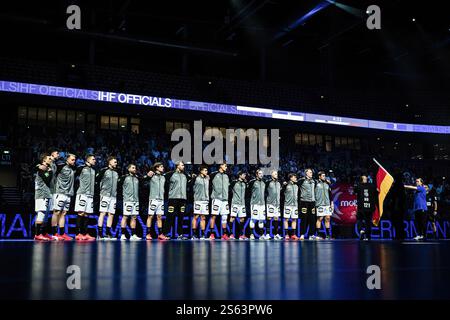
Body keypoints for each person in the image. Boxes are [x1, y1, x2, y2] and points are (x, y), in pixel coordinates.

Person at [51, 154, 76, 241]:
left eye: (74, 160)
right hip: (59, 193)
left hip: (68, 194)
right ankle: (54, 233)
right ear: (67, 159)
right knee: (56, 212)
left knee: (64, 213)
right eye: (72, 160)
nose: (74, 161)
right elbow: (51, 168)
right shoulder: (60, 166)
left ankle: (62, 233)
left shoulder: (72, 168)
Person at [163, 161, 189, 240]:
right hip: (173, 198)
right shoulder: (170, 174)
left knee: (181, 216)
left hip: (183, 199)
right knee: (170, 216)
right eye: (182, 165)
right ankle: (165, 234)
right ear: (177, 166)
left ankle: (180, 234)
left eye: (183, 165)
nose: (183, 166)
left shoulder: (185, 175)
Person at [74, 154, 96, 241]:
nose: (95, 161)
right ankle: (78, 233)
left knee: (87, 214)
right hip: (82, 194)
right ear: (88, 160)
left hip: (90, 195)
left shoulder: (94, 170)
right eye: (93, 159)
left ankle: (85, 233)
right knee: (81, 213)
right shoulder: (81, 168)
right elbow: (73, 175)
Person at [96, 156, 119, 241]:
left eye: (116, 162)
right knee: (103, 213)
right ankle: (100, 234)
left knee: (111, 214)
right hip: (104, 195)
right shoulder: (104, 170)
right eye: (114, 162)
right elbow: (97, 180)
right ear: (109, 162)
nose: (116, 163)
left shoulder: (116, 173)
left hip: (113, 196)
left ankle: (108, 233)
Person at [145, 162, 168, 241]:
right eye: (161, 167)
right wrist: (147, 176)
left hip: (161, 199)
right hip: (153, 199)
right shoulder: (152, 176)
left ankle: (160, 234)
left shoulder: (163, 177)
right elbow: (144, 181)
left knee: (159, 217)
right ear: (157, 168)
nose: (163, 168)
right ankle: (148, 234)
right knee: (150, 216)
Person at [209, 161, 231, 240]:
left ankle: (224, 234)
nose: (226, 167)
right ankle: (211, 234)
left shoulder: (227, 176)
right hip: (216, 199)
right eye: (225, 166)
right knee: (214, 216)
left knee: (225, 217)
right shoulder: (213, 174)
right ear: (221, 166)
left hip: (225, 199)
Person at [34, 153, 53, 241]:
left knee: (46, 215)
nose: (51, 159)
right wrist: (49, 171)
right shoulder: (41, 169)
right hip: (41, 195)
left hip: (47, 194)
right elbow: (47, 179)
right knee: (41, 214)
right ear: (44, 160)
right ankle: (37, 234)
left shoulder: (46, 169)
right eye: (49, 158)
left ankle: (44, 233)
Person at [120, 164, 141, 241]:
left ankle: (133, 235)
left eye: (135, 167)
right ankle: (122, 234)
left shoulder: (137, 178)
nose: (135, 169)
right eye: (133, 168)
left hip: (135, 200)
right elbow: (119, 187)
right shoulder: (124, 178)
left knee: (134, 217)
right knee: (125, 216)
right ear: (128, 169)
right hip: (127, 200)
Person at [354, 175, 378, 241]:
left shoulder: (358, 185)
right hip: (369, 207)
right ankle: (368, 236)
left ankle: (361, 231)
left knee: (359, 219)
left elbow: (354, 191)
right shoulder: (372, 186)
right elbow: (377, 192)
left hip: (361, 207)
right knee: (368, 221)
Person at [191, 165, 209, 240]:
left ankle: (202, 234)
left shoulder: (207, 179)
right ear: (201, 171)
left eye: (207, 170)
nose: (206, 172)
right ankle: (194, 234)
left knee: (203, 218)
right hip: (198, 200)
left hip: (205, 201)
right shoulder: (196, 178)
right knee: (196, 217)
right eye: (205, 170)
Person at [299, 168, 318, 240]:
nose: (311, 173)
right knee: (304, 218)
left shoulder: (314, 181)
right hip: (304, 202)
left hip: (312, 202)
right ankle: (302, 234)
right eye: (310, 172)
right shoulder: (302, 180)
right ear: (306, 173)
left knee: (312, 219)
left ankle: (311, 234)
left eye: (311, 172)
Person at [248, 169, 266, 240]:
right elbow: (248, 191)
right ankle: (251, 234)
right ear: (256, 174)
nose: (261, 175)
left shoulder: (264, 182)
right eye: (259, 173)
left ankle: (261, 235)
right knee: (253, 219)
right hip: (254, 203)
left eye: (262, 173)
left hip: (262, 204)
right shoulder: (252, 182)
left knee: (261, 219)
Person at [315, 171, 333, 240]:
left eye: (324, 176)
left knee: (328, 218)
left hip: (327, 203)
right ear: (319, 176)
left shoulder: (327, 184)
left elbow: (330, 193)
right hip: (320, 203)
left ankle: (328, 234)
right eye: (322, 176)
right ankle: (318, 234)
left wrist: (331, 202)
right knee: (320, 218)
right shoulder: (316, 183)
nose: (324, 177)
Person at [229, 171, 248, 240]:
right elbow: (229, 189)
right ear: (240, 175)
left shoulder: (245, 183)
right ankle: (231, 234)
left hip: (242, 203)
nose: (244, 176)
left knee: (242, 219)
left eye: (245, 175)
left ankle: (241, 235)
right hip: (235, 203)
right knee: (232, 217)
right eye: (243, 174)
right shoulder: (234, 182)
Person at [266, 170, 282, 240]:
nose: (276, 175)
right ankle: (267, 234)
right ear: (271, 175)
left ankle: (276, 234)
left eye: (277, 174)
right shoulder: (268, 182)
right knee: (269, 218)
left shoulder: (279, 183)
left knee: (276, 219)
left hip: (277, 204)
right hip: (270, 203)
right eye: (275, 174)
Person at [283, 173, 299, 240]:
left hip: (295, 205)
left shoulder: (297, 186)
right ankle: (286, 234)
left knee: (294, 219)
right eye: (294, 177)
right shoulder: (286, 185)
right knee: (286, 219)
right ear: (291, 178)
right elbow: (282, 193)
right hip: (287, 205)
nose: (296, 178)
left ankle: (293, 235)